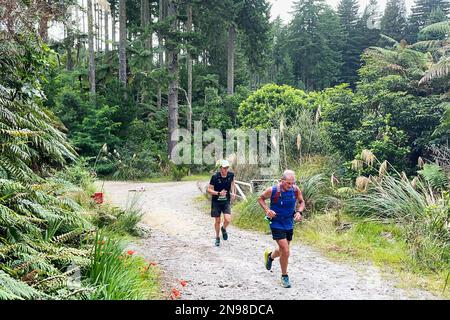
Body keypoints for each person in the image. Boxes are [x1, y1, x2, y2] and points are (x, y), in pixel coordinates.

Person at [257, 170, 305, 288]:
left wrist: (299, 212)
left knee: (282, 249)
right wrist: (267, 210)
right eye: (288, 183)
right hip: (276, 222)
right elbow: (260, 199)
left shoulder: (295, 189)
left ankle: (270, 256)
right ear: (281, 181)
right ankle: (284, 276)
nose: (291, 186)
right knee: (286, 251)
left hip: (289, 222)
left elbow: (302, 202)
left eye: (293, 183)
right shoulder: (272, 190)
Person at [207, 160, 236, 246]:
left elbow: (233, 184)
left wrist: (234, 193)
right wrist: (218, 193)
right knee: (218, 221)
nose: (226, 169)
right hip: (216, 202)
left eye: (227, 167)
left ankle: (223, 229)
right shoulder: (215, 177)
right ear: (220, 168)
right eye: (224, 168)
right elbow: (208, 189)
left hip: (226, 201)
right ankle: (217, 237)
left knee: (227, 219)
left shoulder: (231, 175)